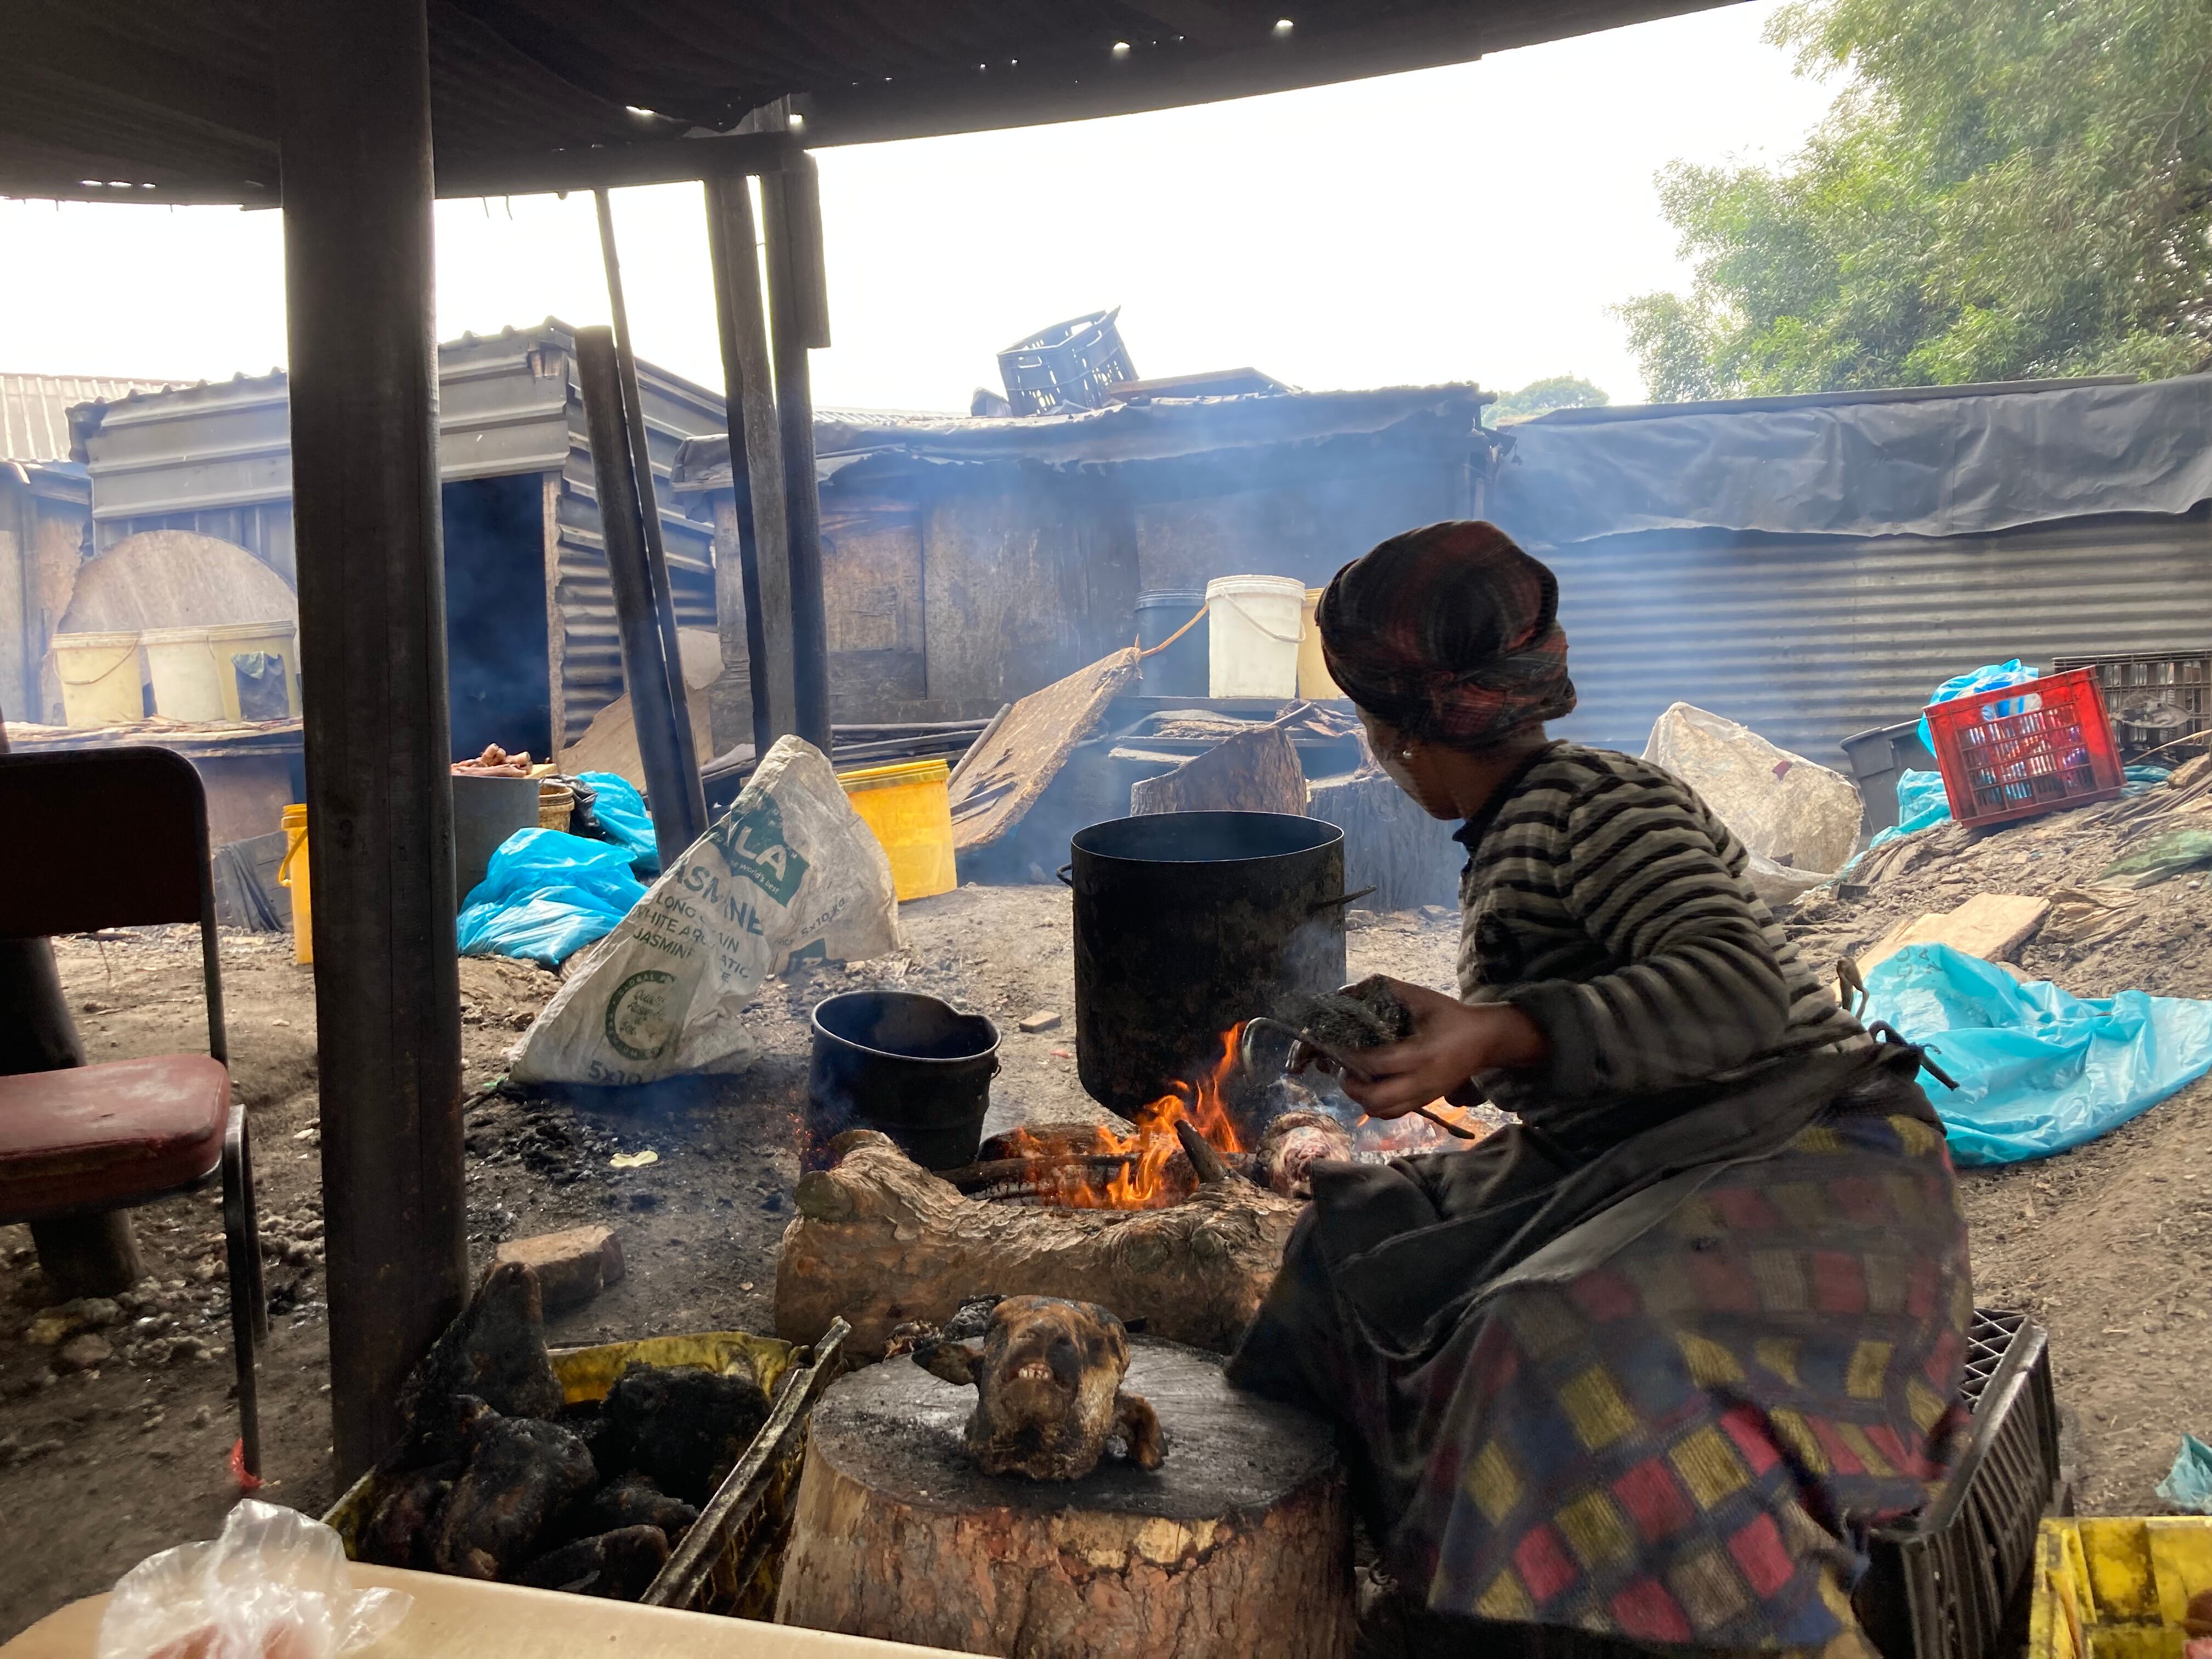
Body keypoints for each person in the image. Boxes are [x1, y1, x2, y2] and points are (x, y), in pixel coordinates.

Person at [1227, 521, 1972, 1659]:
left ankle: (1574, 1615)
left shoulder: (1601, 805)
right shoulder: (1523, 819)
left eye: (1372, 728)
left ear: (1401, 738)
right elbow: (1595, 1008)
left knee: (1542, 1344)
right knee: (1353, 1251)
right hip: (1643, 1150)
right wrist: (1458, 1036)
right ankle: (1396, 1572)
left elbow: (1735, 993)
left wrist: (1499, 1029)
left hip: (1806, 1163)